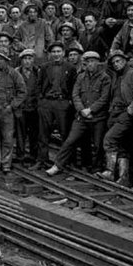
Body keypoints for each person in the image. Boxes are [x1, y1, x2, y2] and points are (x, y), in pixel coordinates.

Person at [46, 51, 111, 176]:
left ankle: (96, 169)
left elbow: (104, 98)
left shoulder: (105, 78)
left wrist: (91, 110)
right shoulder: (81, 77)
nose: (90, 64)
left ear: (98, 62)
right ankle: (57, 165)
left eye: (93, 61)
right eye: (88, 62)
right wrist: (82, 110)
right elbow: (75, 95)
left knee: (98, 145)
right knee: (70, 141)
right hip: (81, 117)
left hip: (98, 117)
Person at [98, 50, 133, 185]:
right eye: (114, 62)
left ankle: (110, 172)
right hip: (114, 112)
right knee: (121, 145)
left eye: (119, 61)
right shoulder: (116, 75)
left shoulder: (132, 73)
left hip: (124, 113)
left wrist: (130, 111)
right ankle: (123, 177)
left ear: (125, 60)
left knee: (109, 139)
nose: (116, 64)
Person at [36, 41, 77, 169]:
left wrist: (69, 102)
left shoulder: (70, 68)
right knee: (43, 133)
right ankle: (42, 160)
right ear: (49, 54)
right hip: (47, 102)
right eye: (53, 52)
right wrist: (41, 101)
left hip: (62, 103)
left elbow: (73, 86)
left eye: (59, 51)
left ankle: (66, 162)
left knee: (64, 133)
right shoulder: (44, 67)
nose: (56, 54)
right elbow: (38, 85)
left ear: (63, 53)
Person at [14, 49, 40, 166]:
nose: (28, 61)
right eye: (25, 59)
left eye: (30, 58)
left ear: (33, 60)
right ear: (21, 60)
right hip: (21, 108)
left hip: (34, 108)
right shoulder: (16, 73)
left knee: (34, 134)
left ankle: (33, 156)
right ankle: (21, 156)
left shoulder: (38, 72)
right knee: (21, 134)